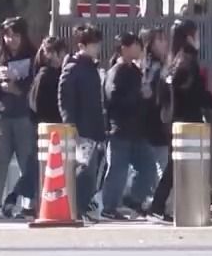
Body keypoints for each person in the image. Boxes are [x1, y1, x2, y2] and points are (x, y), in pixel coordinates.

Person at [146, 19, 212, 223]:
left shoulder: (172, 61)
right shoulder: (188, 60)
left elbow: (164, 95)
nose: (199, 38)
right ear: (189, 37)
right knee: (177, 165)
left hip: (171, 120)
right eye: (196, 34)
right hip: (186, 120)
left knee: (176, 164)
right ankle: (158, 206)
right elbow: (192, 91)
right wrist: (210, 101)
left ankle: (164, 206)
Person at [0, 18, 39, 219]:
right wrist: (0, 87)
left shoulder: (33, 56)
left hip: (25, 115)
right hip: (1, 114)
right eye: (7, 36)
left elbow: (36, 83)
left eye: (15, 35)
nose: (11, 40)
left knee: (27, 159)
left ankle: (31, 202)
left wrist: (17, 88)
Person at [100, 32, 158, 221]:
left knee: (147, 167)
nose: (139, 48)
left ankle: (132, 198)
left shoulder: (134, 70)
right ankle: (109, 206)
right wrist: (139, 95)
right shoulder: (117, 71)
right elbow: (113, 98)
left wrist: (145, 96)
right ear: (124, 48)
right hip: (121, 129)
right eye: (135, 44)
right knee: (118, 170)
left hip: (137, 130)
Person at [60, 25, 108, 223]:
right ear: (81, 45)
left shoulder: (92, 68)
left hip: (93, 127)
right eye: (93, 44)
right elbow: (64, 98)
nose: (97, 48)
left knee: (91, 171)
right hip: (80, 128)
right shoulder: (73, 68)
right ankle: (76, 208)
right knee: (84, 169)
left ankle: (82, 207)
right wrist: (69, 124)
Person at [138, 28, 170, 178]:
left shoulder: (159, 65)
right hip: (153, 124)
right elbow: (149, 94)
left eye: (165, 39)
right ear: (150, 44)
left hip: (156, 126)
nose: (165, 43)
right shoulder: (151, 67)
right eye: (160, 40)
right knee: (156, 170)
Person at [31, 37, 68, 126]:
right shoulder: (45, 76)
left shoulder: (60, 72)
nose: (64, 57)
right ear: (52, 54)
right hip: (49, 125)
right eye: (62, 54)